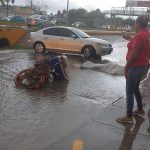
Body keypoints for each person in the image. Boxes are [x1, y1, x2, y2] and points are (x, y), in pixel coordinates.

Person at [116, 15, 150, 124]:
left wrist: (126, 67)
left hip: (135, 67)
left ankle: (129, 116)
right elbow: (140, 46)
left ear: (138, 24)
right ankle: (140, 109)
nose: (134, 25)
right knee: (135, 88)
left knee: (129, 91)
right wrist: (129, 38)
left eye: (135, 23)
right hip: (144, 66)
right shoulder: (147, 34)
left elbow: (134, 54)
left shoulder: (139, 36)